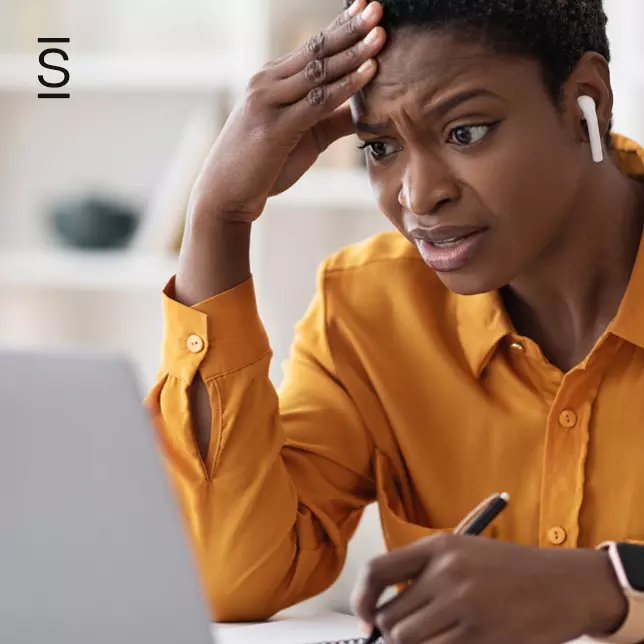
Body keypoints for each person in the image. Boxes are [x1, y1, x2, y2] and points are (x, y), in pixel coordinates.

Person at [146, 0, 644, 641]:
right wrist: (218, 217)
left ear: (587, 100)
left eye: (466, 132)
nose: (416, 195)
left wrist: (604, 584)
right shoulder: (369, 310)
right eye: (379, 147)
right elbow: (229, 575)